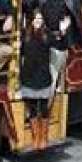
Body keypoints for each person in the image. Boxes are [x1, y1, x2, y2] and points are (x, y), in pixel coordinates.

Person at [19, 10, 53, 149]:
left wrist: (63, 32)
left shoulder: (47, 35)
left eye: (40, 18)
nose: (38, 21)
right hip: (28, 75)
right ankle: (35, 138)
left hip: (43, 74)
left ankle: (44, 136)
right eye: (36, 18)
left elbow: (59, 44)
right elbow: (21, 52)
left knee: (43, 107)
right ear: (31, 20)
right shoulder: (25, 35)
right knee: (32, 108)